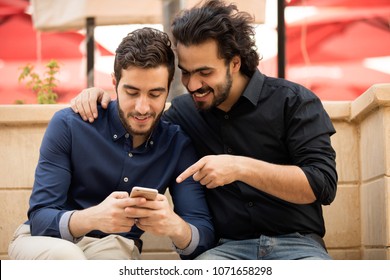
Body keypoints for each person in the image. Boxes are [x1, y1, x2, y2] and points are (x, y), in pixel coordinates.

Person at [70, 0, 337, 260]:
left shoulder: (293, 101)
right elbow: (139, 116)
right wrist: (101, 96)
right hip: (223, 251)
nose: (193, 84)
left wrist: (240, 167)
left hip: (299, 248)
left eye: (204, 72)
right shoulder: (182, 114)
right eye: (186, 72)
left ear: (234, 63)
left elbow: (322, 184)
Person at [8, 27, 214, 260]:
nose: (142, 108)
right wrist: (94, 218)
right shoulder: (70, 125)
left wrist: (175, 226)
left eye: (155, 94)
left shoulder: (178, 144)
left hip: (115, 246)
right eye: (132, 92)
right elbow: (40, 219)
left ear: (168, 89)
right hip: (46, 242)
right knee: (68, 258)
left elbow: (203, 236)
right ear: (114, 83)